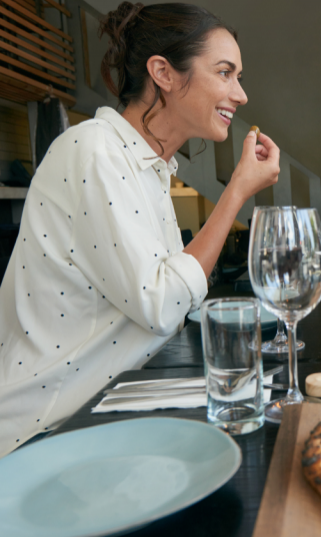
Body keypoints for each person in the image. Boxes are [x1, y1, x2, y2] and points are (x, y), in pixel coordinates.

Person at [0, 2, 279, 456]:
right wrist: (237, 193)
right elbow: (162, 304)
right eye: (226, 73)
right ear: (163, 73)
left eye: (238, 77)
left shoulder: (148, 166)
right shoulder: (94, 151)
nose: (240, 94)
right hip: (45, 430)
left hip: (108, 406)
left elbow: (175, 299)